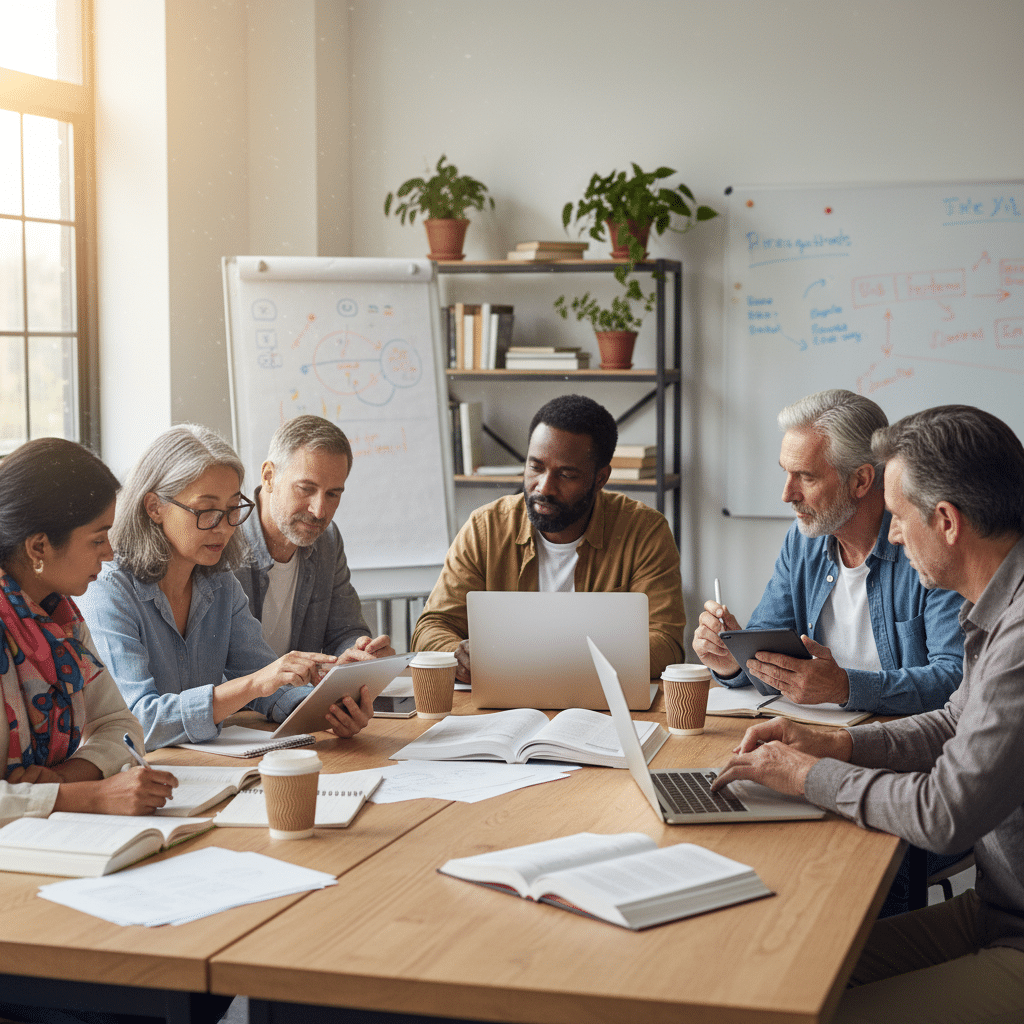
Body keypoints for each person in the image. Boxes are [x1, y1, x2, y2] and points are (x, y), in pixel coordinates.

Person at [711, 405, 1024, 1023]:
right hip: (995, 907)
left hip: (1015, 932)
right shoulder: (993, 604)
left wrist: (804, 776)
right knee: (784, 976)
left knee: (810, 1008)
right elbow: (951, 720)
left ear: (946, 521)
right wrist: (828, 745)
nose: (896, 534)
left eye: (901, 518)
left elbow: (942, 815)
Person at [78, 425, 374, 751]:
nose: (223, 527)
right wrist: (254, 684)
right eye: (206, 511)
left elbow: (269, 681)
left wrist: (332, 710)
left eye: (233, 510)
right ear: (154, 507)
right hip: (132, 779)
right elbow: (137, 723)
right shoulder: (108, 590)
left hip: (202, 770)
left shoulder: (220, 583)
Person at [693, 389, 963, 716]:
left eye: (806, 477)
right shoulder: (803, 539)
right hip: (815, 734)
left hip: (902, 743)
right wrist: (731, 662)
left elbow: (956, 679)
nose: (787, 494)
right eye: (786, 473)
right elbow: (767, 659)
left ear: (861, 480)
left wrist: (845, 687)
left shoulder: (927, 544)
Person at [412, 394, 686, 682]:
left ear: (600, 479)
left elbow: (666, 643)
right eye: (535, 467)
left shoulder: (644, 531)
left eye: (566, 475)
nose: (544, 487)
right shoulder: (486, 528)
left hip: (600, 705)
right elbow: (432, 626)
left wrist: (549, 661)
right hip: (503, 706)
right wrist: (457, 655)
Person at [0, 438, 176, 827]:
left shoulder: (59, 619)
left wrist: (64, 779)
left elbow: (121, 725)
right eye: (97, 538)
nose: (109, 553)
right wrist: (88, 796)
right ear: (39, 546)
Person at [234, 415, 394, 660]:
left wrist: (357, 650)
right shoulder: (224, 541)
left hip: (301, 698)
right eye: (306, 489)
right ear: (269, 477)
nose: (319, 511)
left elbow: (345, 631)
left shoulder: (328, 539)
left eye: (332, 494)